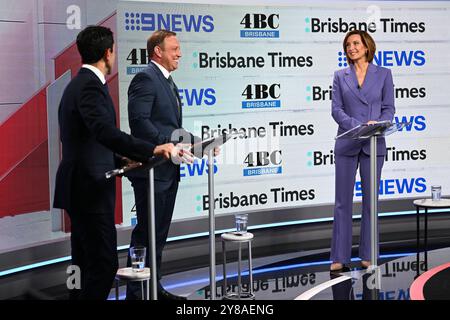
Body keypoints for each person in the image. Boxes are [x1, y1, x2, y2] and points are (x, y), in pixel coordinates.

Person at [53, 26, 184, 300]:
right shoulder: (90, 86)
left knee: (82, 262)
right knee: (102, 264)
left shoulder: (76, 85)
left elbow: (87, 138)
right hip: (89, 186)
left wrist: (123, 158)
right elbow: (104, 132)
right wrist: (149, 149)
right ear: (107, 52)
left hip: (81, 183)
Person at [125, 29, 204, 300]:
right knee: (147, 234)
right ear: (158, 51)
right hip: (151, 171)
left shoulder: (167, 81)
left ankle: (154, 289)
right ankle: (137, 294)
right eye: (174, 49)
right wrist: (166, 146)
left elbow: (171, 128)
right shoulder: (145, 78)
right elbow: (140, 123)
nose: (179, 53)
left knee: (158, 234)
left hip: (167, 171)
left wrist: (201, 144)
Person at [329, 30, 395, 272]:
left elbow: (389, 109)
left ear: (367, 47)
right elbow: (336, 110)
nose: (351, 47)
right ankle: (339, 257)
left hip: (373, 144)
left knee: (371, 203)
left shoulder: (384, 75)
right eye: (347, 44)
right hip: (347, 143)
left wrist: (377, 124)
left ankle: (368, 254)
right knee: (342, 202)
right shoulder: (339, 76)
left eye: (356, 43)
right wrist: (356, 126)